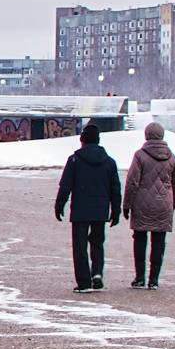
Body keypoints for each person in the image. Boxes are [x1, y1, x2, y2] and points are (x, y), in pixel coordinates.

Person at [55, 123, 121, 292]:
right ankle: (97, 274)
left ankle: (84, 282)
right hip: (100, 209)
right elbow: (115, 188)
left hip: (80, 210)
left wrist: (60, 204)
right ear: (98, 141)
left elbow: (65, 185)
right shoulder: (109, 162)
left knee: (80, 246)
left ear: (82, 140)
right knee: (98, 243)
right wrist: (116, 210)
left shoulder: (74, 160)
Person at [123, 122, 175, 290]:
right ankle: (154, 279)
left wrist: (127, 205)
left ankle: (140, 277)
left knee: (140, 239)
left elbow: (132, 182)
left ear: (146, 135)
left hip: (141, 203)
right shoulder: (171, 156)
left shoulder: (140, 155)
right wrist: (172, 204)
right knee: (159, 241)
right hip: (164, 204)